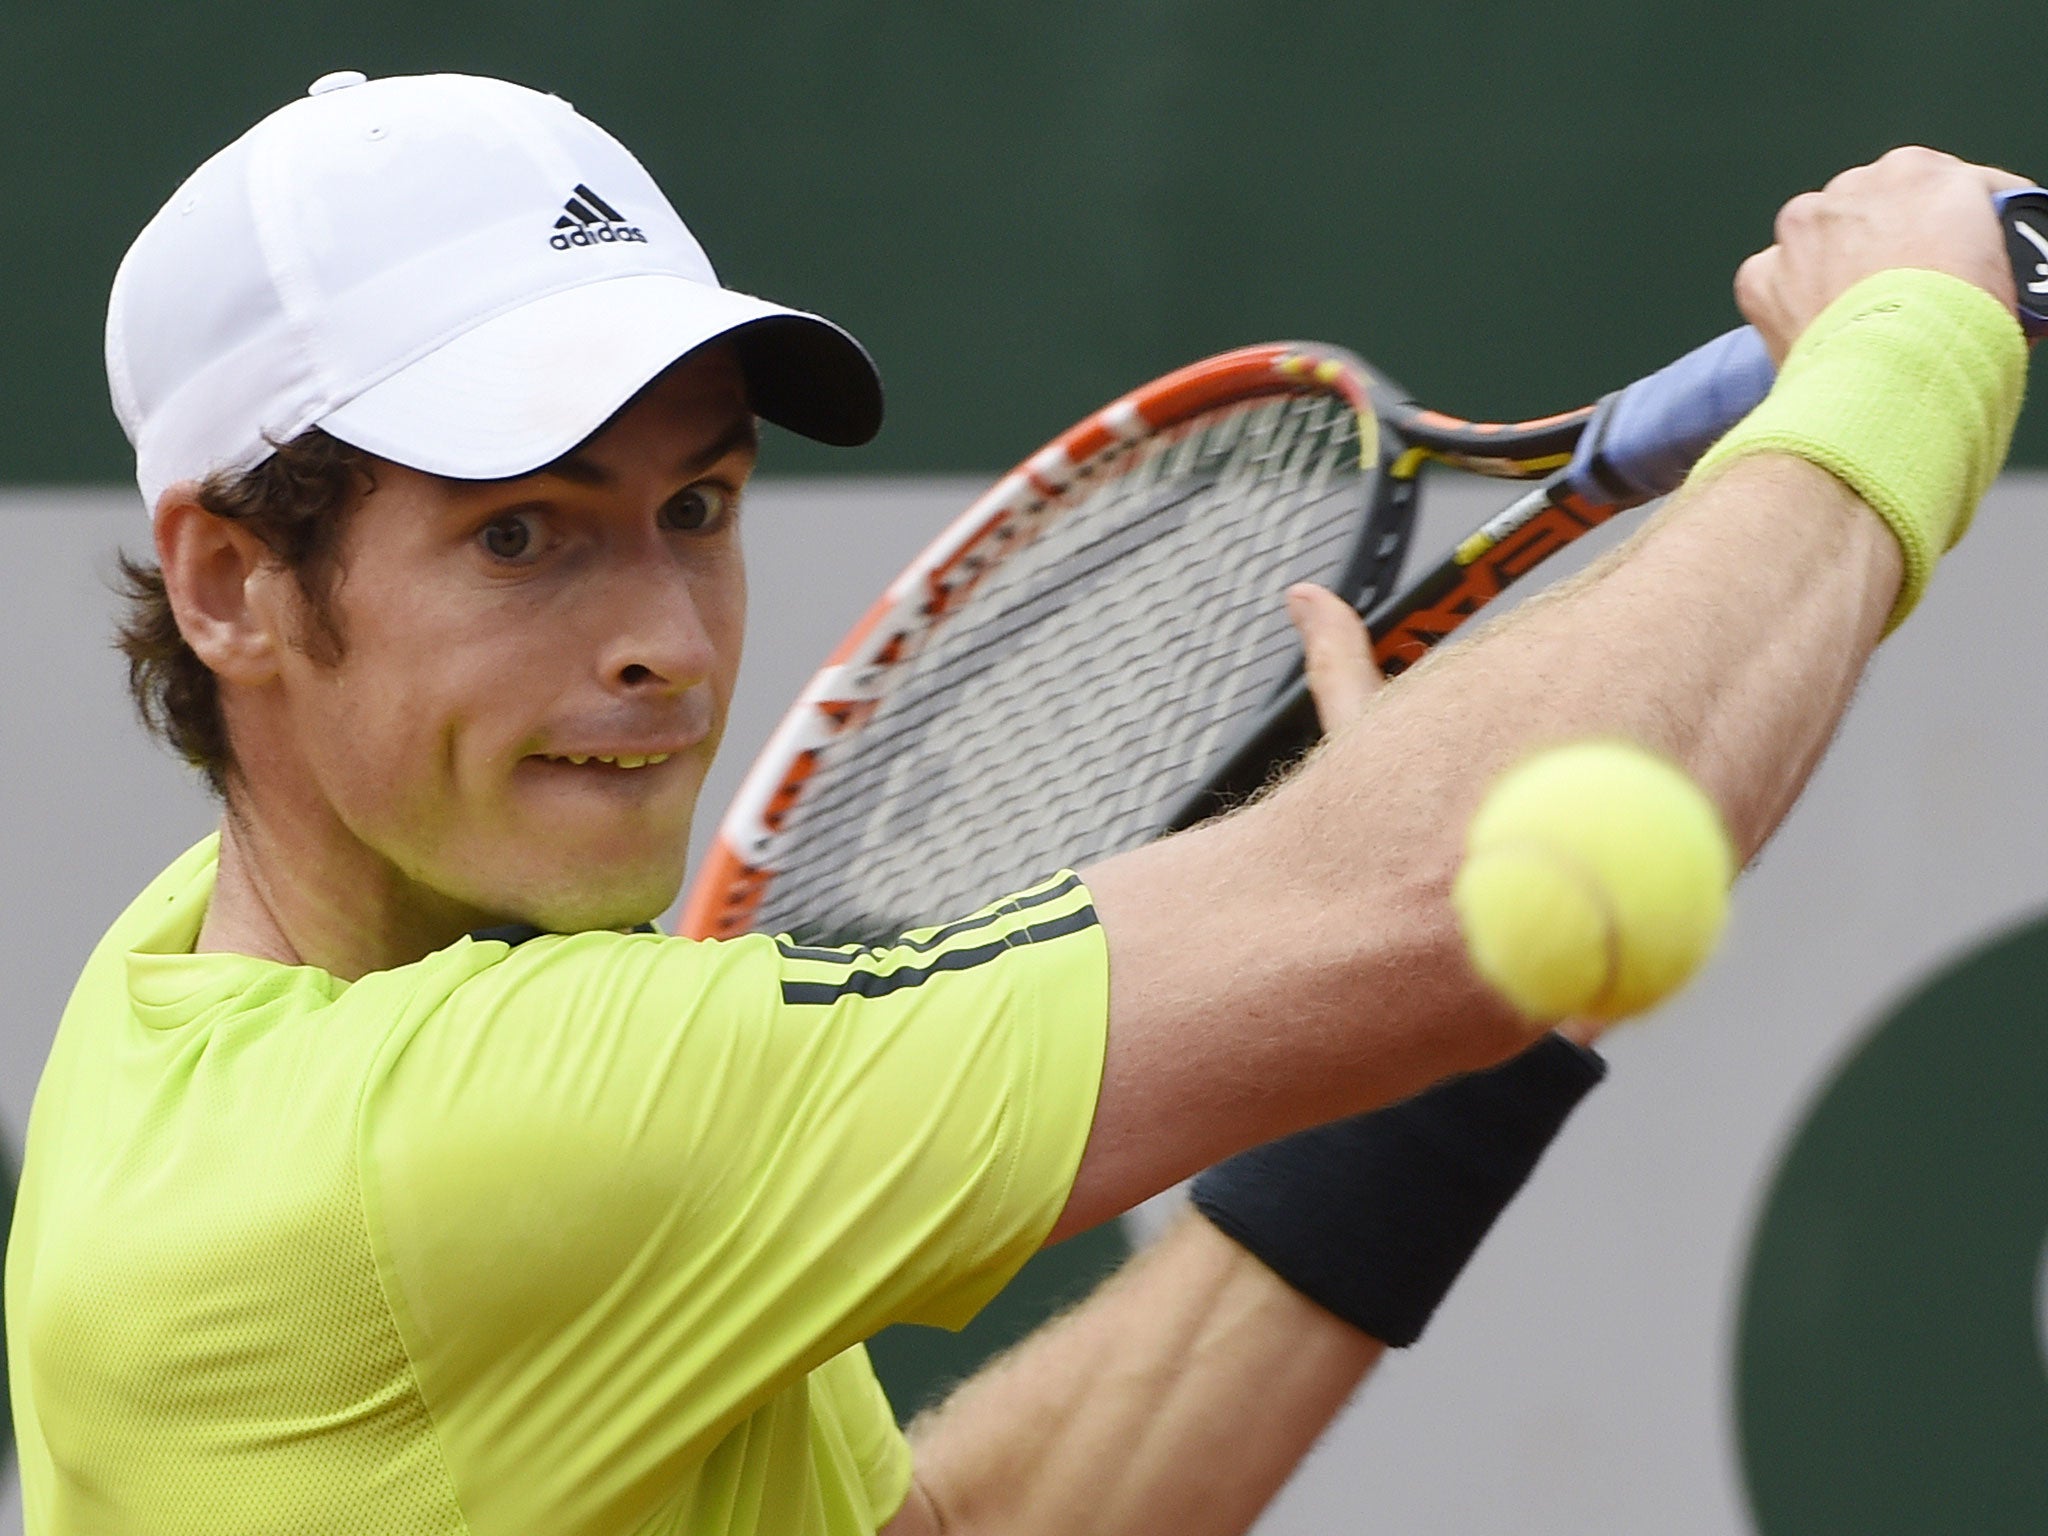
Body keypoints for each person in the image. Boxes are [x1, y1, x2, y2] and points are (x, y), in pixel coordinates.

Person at [3, 68, 2029, 1536]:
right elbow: (1418, 888)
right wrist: (1915, 345)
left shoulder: (178, 998)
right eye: (524, 538)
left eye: (692, 509)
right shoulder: (429, 1157)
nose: (664, 645)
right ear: (230, 583)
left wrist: (1450, 1014)